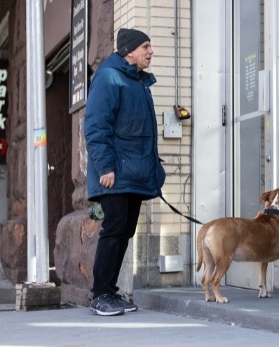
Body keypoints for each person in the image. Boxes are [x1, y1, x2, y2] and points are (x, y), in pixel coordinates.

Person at [83, 28, 166, 316]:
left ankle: (110, 293)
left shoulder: (137, 81)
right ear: (129, 50)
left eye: (150, 46)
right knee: (115, 229)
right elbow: (96, 126)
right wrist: (105, 166)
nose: (150, 51)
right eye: (145, 46)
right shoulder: (110, 77)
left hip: (133, 174)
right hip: (114, 173)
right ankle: (100, 295)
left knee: (124, 231)